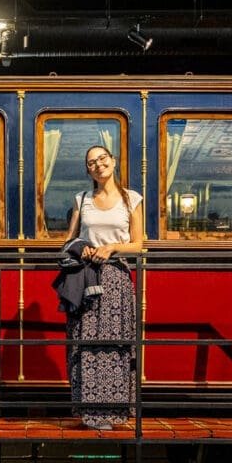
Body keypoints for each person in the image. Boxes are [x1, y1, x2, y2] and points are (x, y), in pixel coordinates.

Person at [61, 145, 144, 430]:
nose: (98, 165)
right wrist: (83, 248)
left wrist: (111, 248)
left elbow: (138, 244)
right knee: (86, 344)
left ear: (113, 161)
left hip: (116, 279)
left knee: (114, 344)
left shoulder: (131, 199)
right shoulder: (82, 199)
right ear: (88, 170)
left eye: (102, 159)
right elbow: (67, 242)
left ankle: (115, 412)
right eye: (92, 162)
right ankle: (90, 412)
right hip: (87, 278)